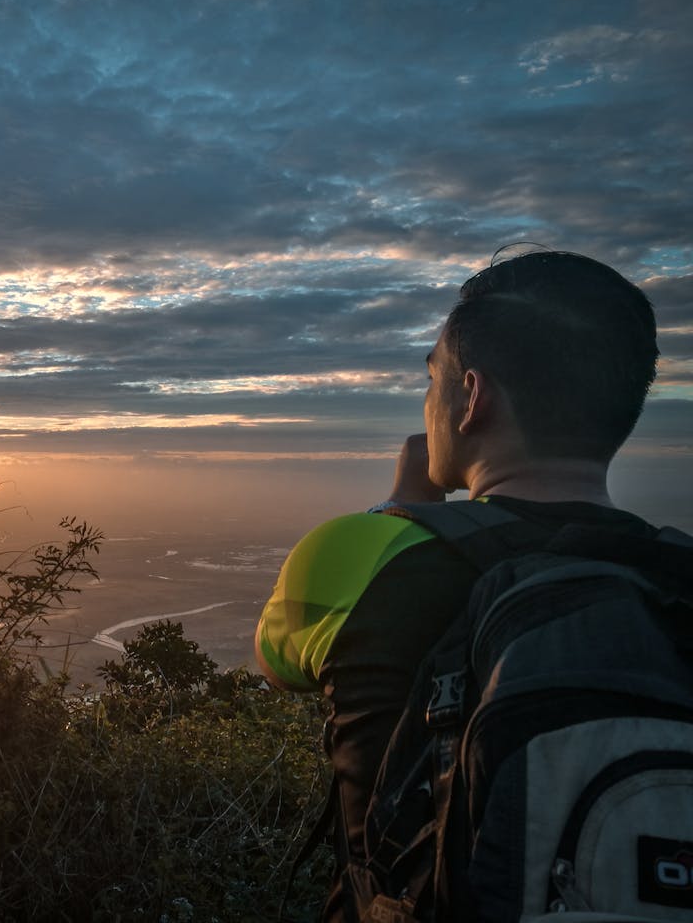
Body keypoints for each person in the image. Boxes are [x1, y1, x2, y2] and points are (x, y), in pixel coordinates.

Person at [254, 248, 661, 923]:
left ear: (472, 397)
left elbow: (276, 669)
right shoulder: (674, 576)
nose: (428, 401)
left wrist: (399, 510)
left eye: (432, 381)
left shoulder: (359, 553)